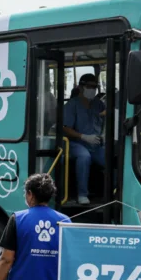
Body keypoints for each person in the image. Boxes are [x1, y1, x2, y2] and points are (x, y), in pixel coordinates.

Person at [61, 73, 106, 205]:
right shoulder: (72, 105)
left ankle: (114, 191)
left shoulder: (98, 104)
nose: (92, 89)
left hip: (95, 144)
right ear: (81, 87)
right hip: (74, 143)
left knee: (109, 158)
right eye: (89, 86)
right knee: (84, 157)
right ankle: (82, 194)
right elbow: (65, 128)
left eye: (95, 87)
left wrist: (103, 135)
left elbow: (106, 117)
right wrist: (83, 136)